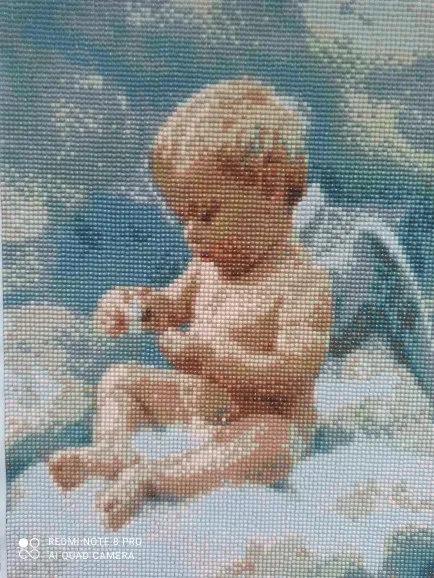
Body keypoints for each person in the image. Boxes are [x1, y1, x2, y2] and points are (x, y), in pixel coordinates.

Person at [48, 77, 333, 531]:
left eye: (206, 215)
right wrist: (133, 308)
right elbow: (170, 307)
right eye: (183, 219)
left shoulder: (303, 283)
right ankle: (114, 449)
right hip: (201, 402)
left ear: (272, 191)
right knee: (120, 379)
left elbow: (294, 374)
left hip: (261, 417)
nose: (191, 234)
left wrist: (213, 357)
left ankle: (154, 477)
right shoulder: (209, 265)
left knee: (276, 443)